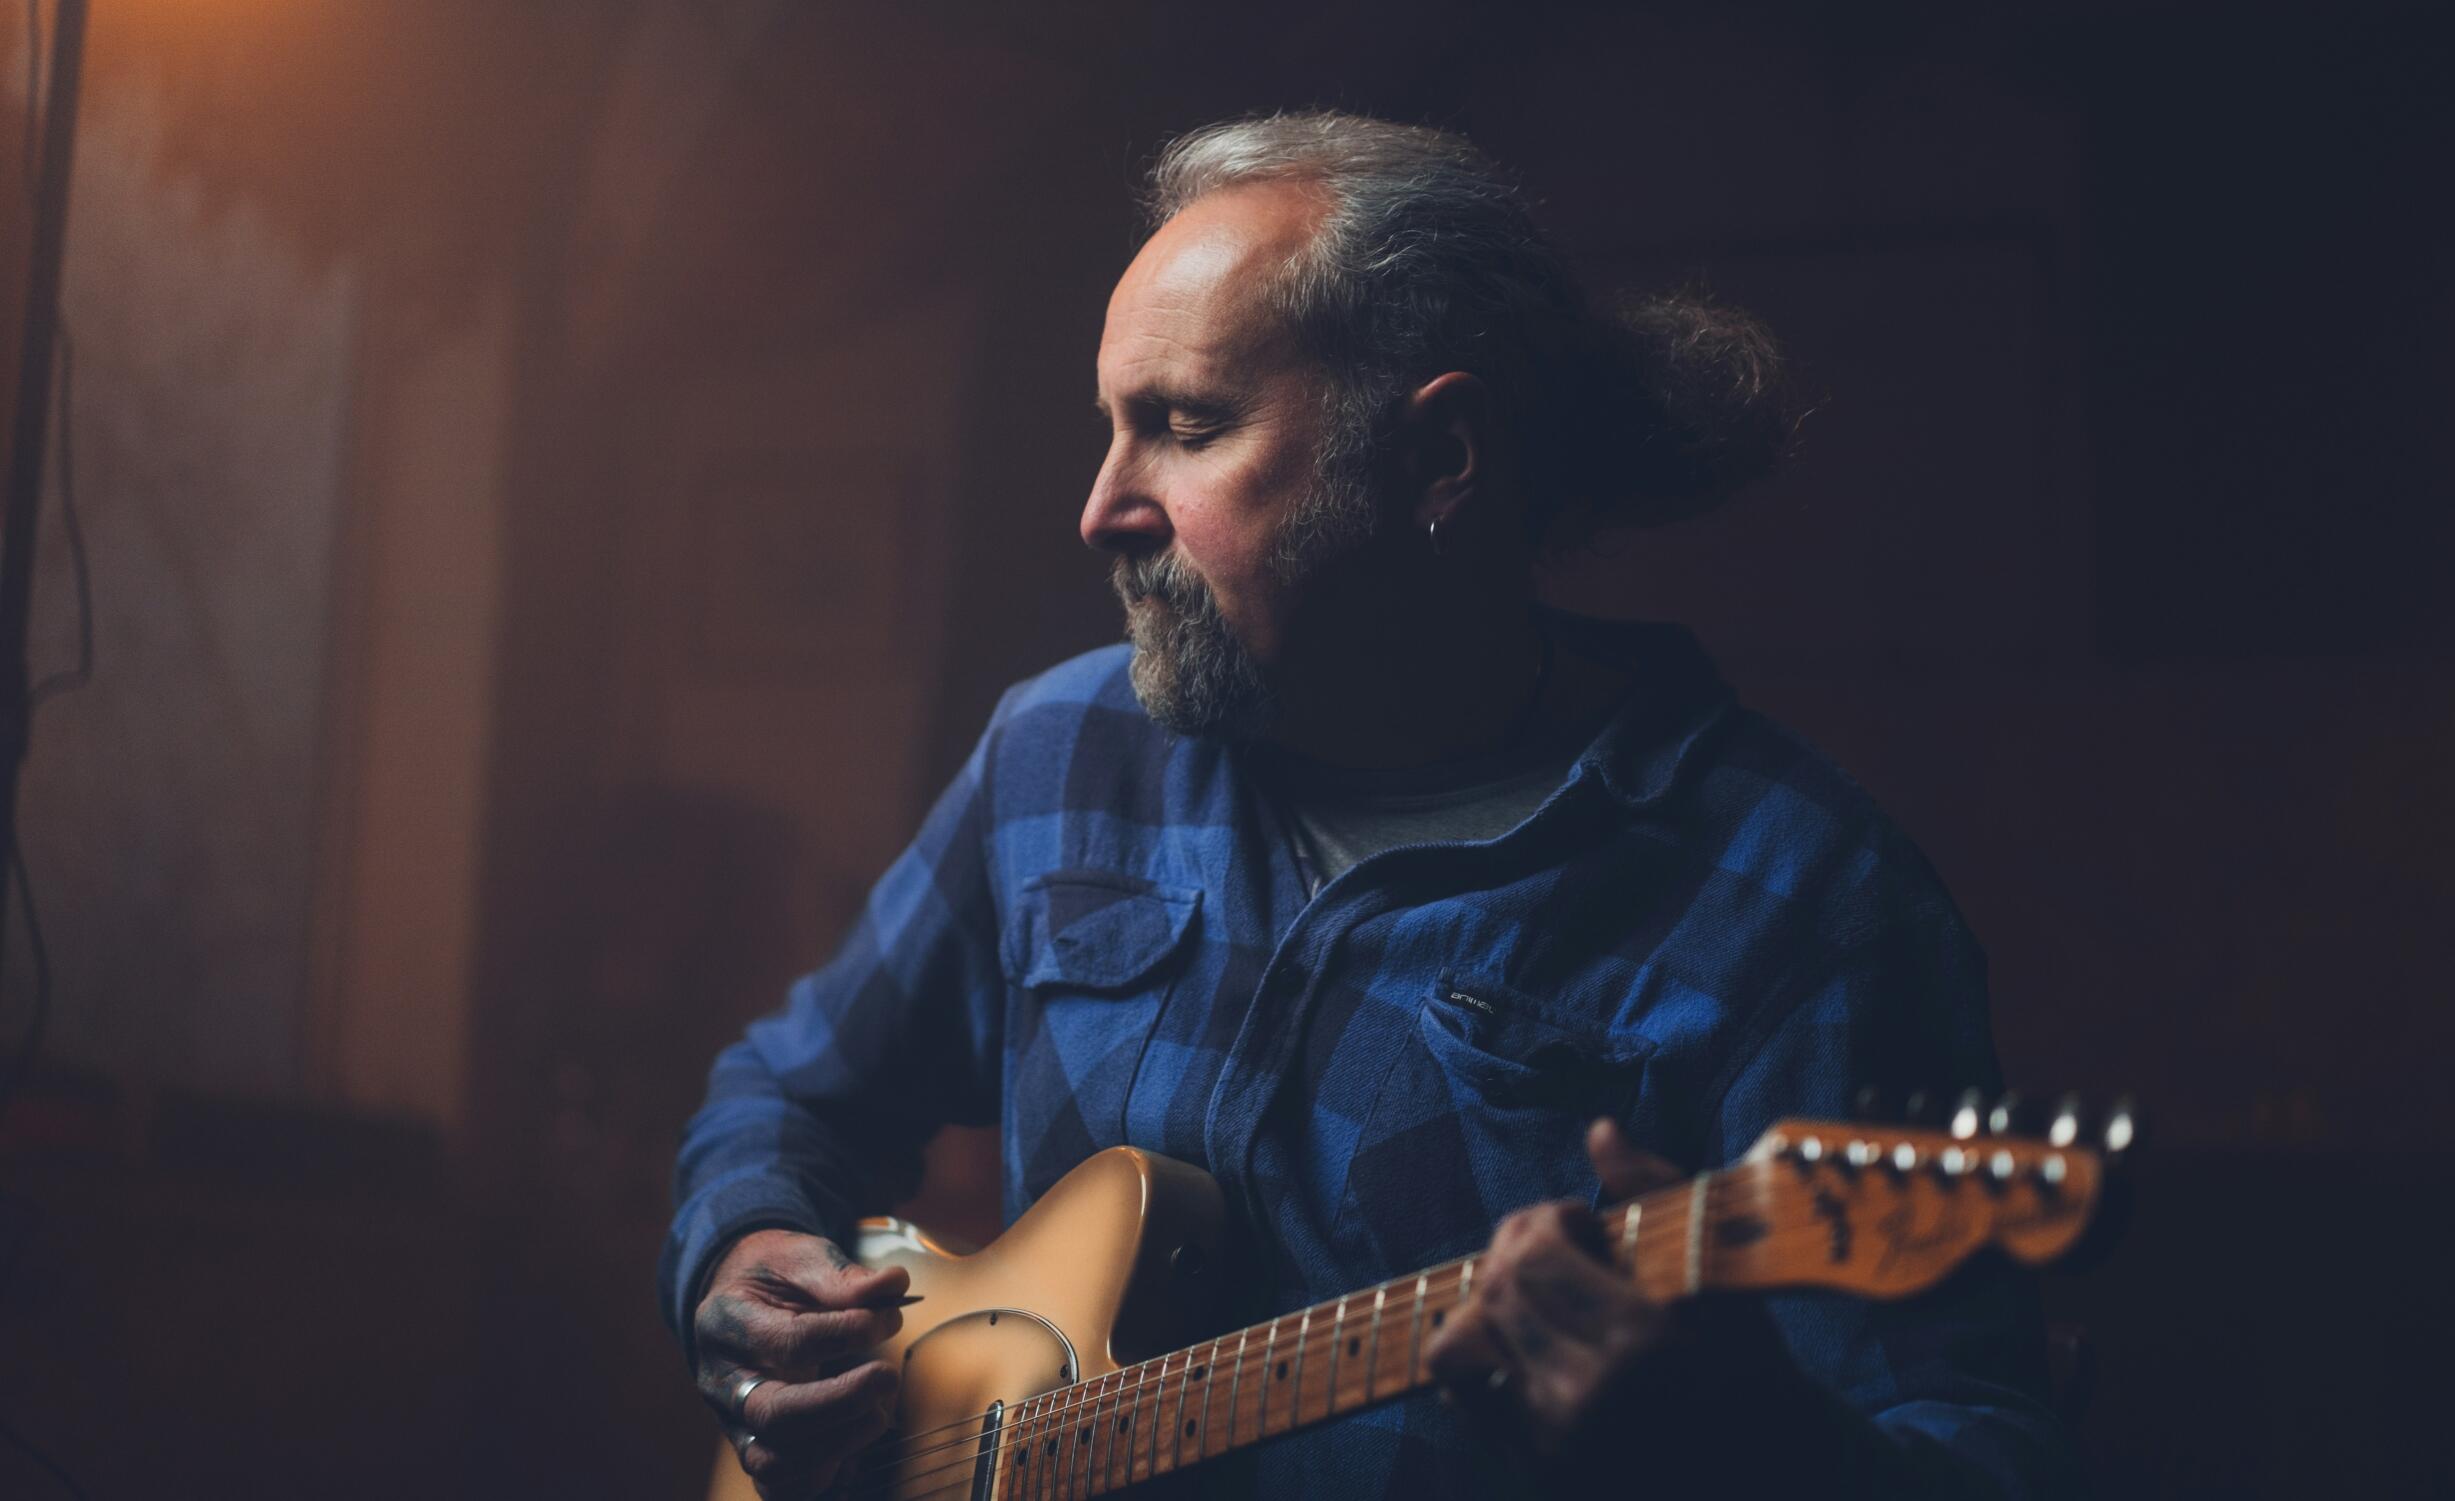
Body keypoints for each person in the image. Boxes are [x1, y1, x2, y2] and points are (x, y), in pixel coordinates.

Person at [661, 111, 2071, 1499]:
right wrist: (741, 1252)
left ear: (1439, 458)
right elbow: (790, 1090)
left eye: (1185, 427)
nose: (1102, 507)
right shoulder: (1062, 752)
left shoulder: (1803, 902)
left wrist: (1745, 1452)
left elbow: (1978, 1449)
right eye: (1111, 428)